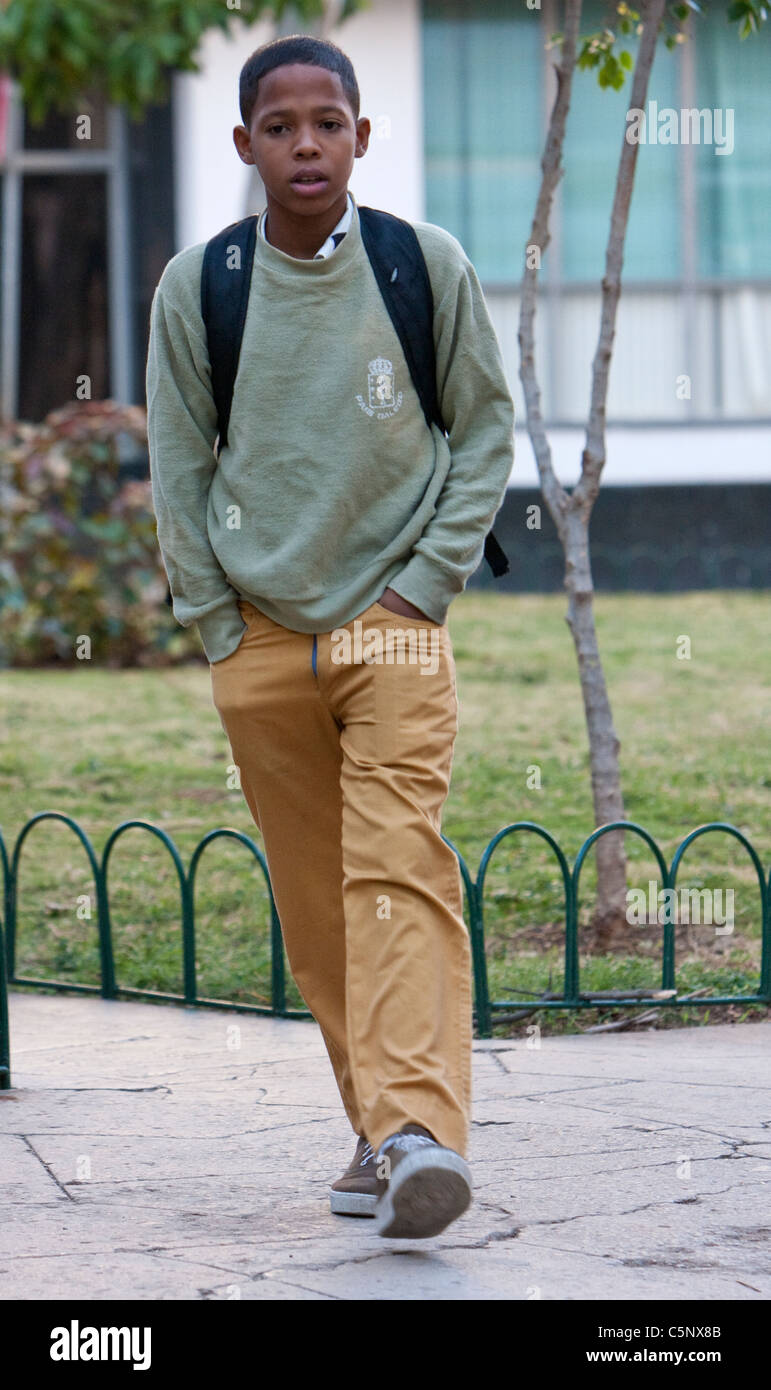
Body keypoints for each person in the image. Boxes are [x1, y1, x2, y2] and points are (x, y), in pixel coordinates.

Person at [145, 33, 515, 1239]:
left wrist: (421, 587)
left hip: (395, 629)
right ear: (244, 141)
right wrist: (214, 624)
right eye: (281, 124)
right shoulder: (204, 284)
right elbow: (176, 469)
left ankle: (414, 1133)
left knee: (396, 868)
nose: (307, 143)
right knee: (317, 905)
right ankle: (380, 1126)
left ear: (363, 135)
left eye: (329, 122)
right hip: (258, 634)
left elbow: (484, 434)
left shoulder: (423, 265)